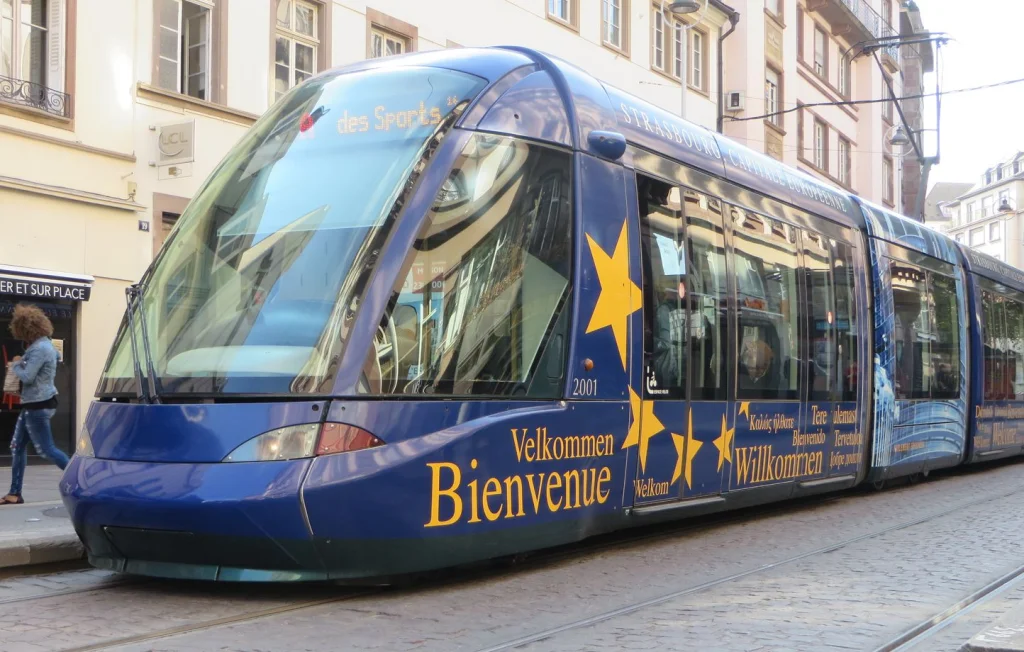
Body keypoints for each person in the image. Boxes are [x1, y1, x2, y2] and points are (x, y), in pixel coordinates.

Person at [2, 304, 68, 505]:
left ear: (26, 329)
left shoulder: (40, 349)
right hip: (34, 404)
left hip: (38, 405)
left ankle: (83, 479)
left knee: (46, 449)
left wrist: (14, 366)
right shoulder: (42, 346)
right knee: (17, 446)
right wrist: (21, 362)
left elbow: (28, 376)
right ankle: (15, 493)